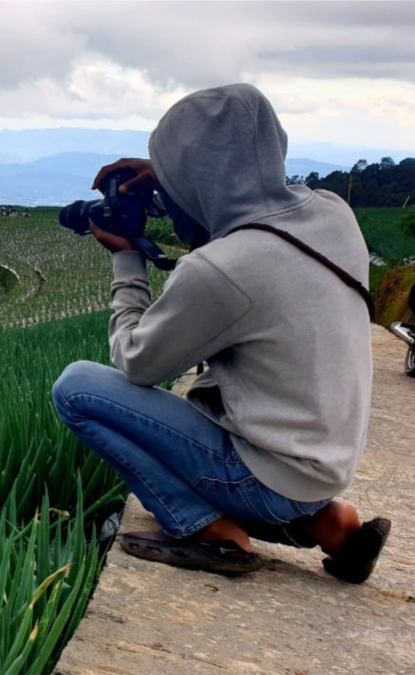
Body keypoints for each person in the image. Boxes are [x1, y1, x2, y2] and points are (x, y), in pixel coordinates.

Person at [52, 83, 390, 581]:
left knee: (76, 388)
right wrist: (174, 180)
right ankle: (329, 524)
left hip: (268, 478)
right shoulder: (332, 213)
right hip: (324, 467)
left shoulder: (222, 270)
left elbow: (137, 363)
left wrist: (126, 258)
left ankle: (204, 530)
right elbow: (252, 226)